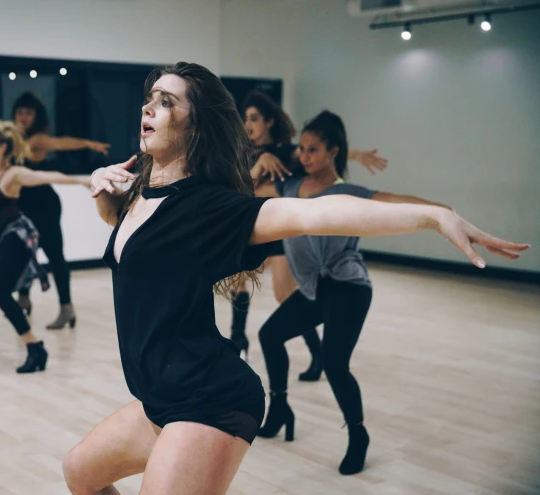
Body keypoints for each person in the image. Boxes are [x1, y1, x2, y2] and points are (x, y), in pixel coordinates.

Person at [60, 62, 528, 494]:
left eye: (167, 101)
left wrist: (432, 216)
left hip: (207, 400)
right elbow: (136, 246)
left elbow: (318, 211)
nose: (148, 106)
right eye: (150, 97)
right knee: (79, 472)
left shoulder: (208, 209)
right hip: (157, 396)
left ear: (196, 126)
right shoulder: (142, 192)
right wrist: (106, 198)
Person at [254, 110, 475, 475]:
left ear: (333, 152)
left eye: (313, 150)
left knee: (335, 364)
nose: (304, 156)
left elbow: (394, 200)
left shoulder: (348, 192)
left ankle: (358, 435)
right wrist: (261, 161)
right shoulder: (288, 186)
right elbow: (241, 190)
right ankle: (279, 407)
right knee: (270, 335)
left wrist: (441, 213)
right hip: (313, 288)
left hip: (348, 287)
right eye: (302, 150)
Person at [232, 90, 388, 379]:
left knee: (283, 296)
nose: (248, 124)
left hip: (280, 233)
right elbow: (242, 190)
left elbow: (321, 152)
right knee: (237, 281)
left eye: (253, 118)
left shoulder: (287, 151)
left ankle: (318, 355)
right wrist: (258, 162)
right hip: (254, 229)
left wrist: (356, 154)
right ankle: (237, 341)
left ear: (268, 121)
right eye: (246, 119)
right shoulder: (247, 154)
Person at [0, 116, 90, 373]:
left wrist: (82, 181)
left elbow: (46, 175)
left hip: (19, 237)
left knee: (1, 294)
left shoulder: (12, 175)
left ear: (2, 147)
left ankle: (35, 348)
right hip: (5, 240)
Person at [11, 92, 110, 329]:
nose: (23, 117)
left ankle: (66, 308)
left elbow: (62, 142)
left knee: (55, 257)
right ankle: (23, 298)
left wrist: (89, 144)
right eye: (20, 113)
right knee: (22, 253)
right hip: (22, 205)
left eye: (28, 113)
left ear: (36, 116)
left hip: (44, 205)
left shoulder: (36, 140)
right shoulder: (13, 141)